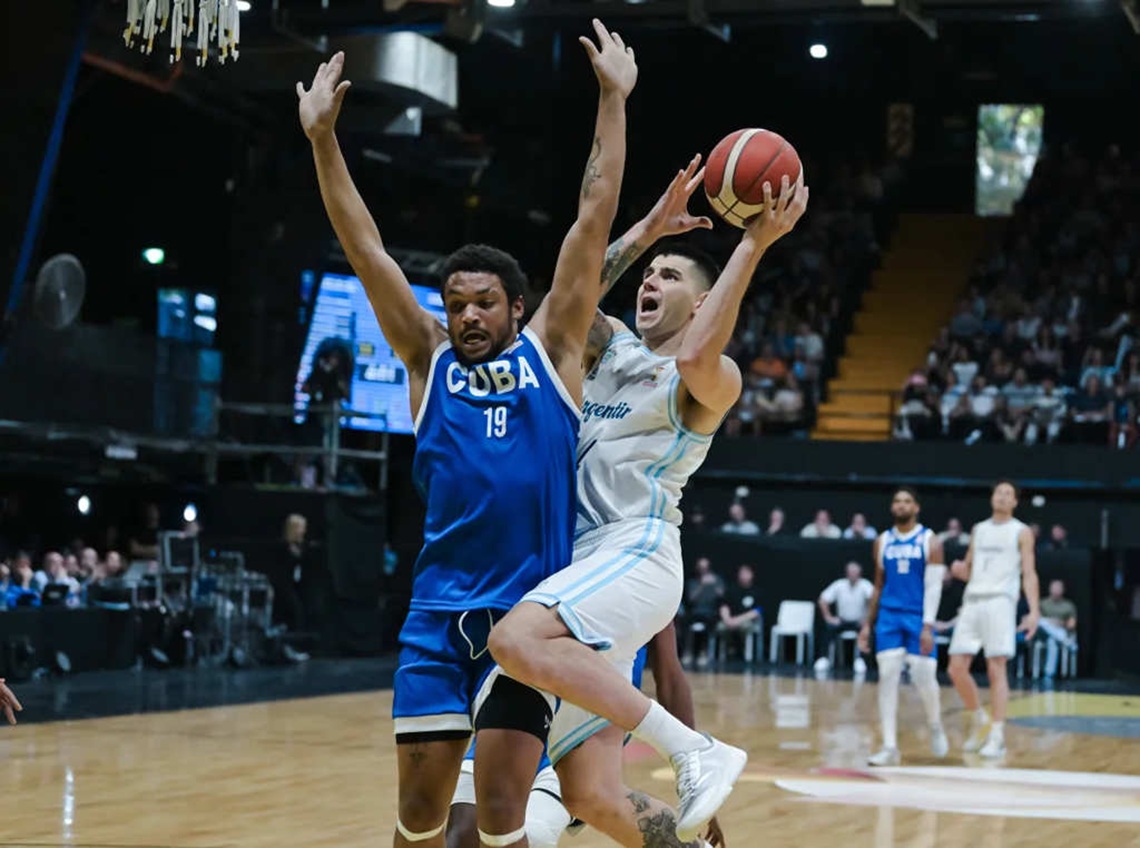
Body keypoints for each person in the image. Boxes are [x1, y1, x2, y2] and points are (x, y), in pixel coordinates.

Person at [297, 22, 637, 848]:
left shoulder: (553, 351)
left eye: (484, 302)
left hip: (523, 622)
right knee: (418, 820)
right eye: (456, 304)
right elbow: (364, 246)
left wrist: (613, 98)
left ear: (516, 307)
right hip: (435, 616)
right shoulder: (428, 359)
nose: (469, 315)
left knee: (499, 818)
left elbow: (593, 216)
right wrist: (323, 142)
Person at [488, 163, 809, 841]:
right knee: (592, 793)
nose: (650, 282)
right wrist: (646, 233)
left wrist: (753, 244)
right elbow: (565, 302)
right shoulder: (611, 350)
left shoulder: (712, 378)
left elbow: (696, 357)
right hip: (582, 563)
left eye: (669, 276)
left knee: (514, 640)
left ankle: (695, 750)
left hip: (636, 548)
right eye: (649, 275)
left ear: (702, 302)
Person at [447, 624, 723, 848]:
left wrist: (698, 783)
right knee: (461, 834)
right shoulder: (543, 575)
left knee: (534, 835)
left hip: (579, 734)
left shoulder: (645, 585)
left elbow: (670, 679)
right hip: (512, 716)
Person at [947, 480, 1040, 759]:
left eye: (1008, 494)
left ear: (1015, 502)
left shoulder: (1021, 531)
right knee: (955, 668)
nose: (1002, 497)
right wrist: (959, 571)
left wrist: (1034, 611)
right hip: (973, 600)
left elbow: (1029, 573)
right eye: (999, 492)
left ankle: (997, 735)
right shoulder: (979, 529)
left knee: (995, 668)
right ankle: (979, 719)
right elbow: (970, 568)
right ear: (992, 498)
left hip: (1000, 601)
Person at [857, 487, 948, 765]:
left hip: (918, 616)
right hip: (889, 616)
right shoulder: (883, 541)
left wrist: (928, 626)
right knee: (887, 677)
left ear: (916, 507)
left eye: (907, 501)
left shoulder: (930, 541)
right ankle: (889, 746)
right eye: (897, 501)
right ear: (892, 507)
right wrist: (867, 624)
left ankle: (935, 725)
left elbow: (934, 588)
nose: (901, 505)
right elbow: (878, 585)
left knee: (924, 676)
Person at [815, 561, 873, 675]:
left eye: (855, 572)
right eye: (850, 572)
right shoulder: (839, 584)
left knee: (868, 631)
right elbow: (823, 600)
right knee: (828, 628)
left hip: (859, 622)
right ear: (847, 573)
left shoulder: (865, 585)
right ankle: (824, 658)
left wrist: (867, 619)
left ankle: (861, 660)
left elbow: (874, 601)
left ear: (859, 573)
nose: (853, 575)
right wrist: (828, 617)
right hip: (842, 621)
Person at [1038, 579, 1078, 680]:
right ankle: (1066, 641)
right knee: (1041, 621)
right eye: (1054, 588)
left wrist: (1060, 623)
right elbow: (1035, 620)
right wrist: (1050, 621)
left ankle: (1049, 673)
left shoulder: (1068, 606)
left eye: (1058, 588)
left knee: (1052, 641)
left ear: (1063, 590)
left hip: (1061, 631)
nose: (1056, 590)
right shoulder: (1043, 603)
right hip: (1043, 634)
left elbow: (1072, 624)